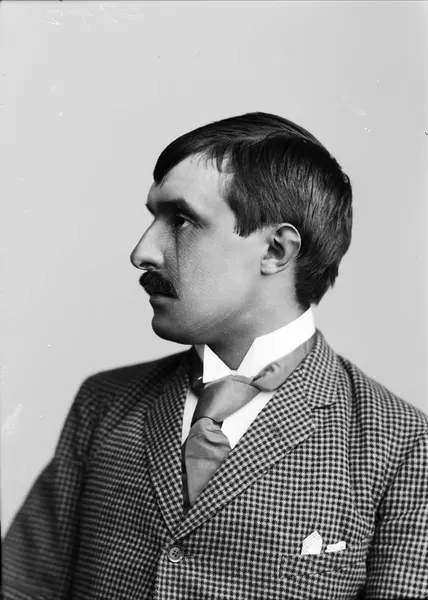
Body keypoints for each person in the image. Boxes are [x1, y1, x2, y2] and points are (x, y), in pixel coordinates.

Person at [3, 112, 427, 600]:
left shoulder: (404, 447)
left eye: (181, 221)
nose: (142, 252)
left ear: (276, 250)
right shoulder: (104, 403)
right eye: (153, 217)